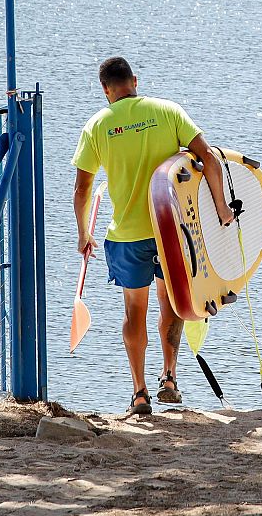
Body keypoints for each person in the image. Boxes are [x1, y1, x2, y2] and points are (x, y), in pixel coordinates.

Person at [72, 56, 236, 415]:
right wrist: (222, 208)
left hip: (127, 236)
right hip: (173, 232)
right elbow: (208, 157)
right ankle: (170, 377)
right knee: (171, 303)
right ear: (135, 81)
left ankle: (139, 393)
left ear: (105, 90)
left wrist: (84, 234)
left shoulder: (96, 126)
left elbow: (82, 189)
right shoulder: (168, 111)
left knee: (135, 311)